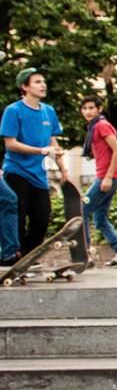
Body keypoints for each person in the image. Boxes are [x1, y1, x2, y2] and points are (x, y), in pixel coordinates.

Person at [1, 69, 70, 256]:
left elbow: (52, 143)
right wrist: (41, 151)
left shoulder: (49, 111)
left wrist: (63, 170)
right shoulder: (13, 111)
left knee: (42, 216)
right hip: (17, 171)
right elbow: (11, 144)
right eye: (37, 82)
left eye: (43, 81)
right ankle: (15, 254)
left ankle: (29, 257)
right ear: (25, 87)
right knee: (18, 215)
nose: (43, 85)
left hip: (38, 174)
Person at [79, 95, 117, 264]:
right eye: (84, 108)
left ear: (99, 109)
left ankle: (85, 254)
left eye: (91, 108)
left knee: (82, 210)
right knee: (100, 219)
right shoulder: (94, 127)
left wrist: (107, 177)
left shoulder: (101, 125)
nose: (87, 111)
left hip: (107, 177)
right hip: (107, 177)